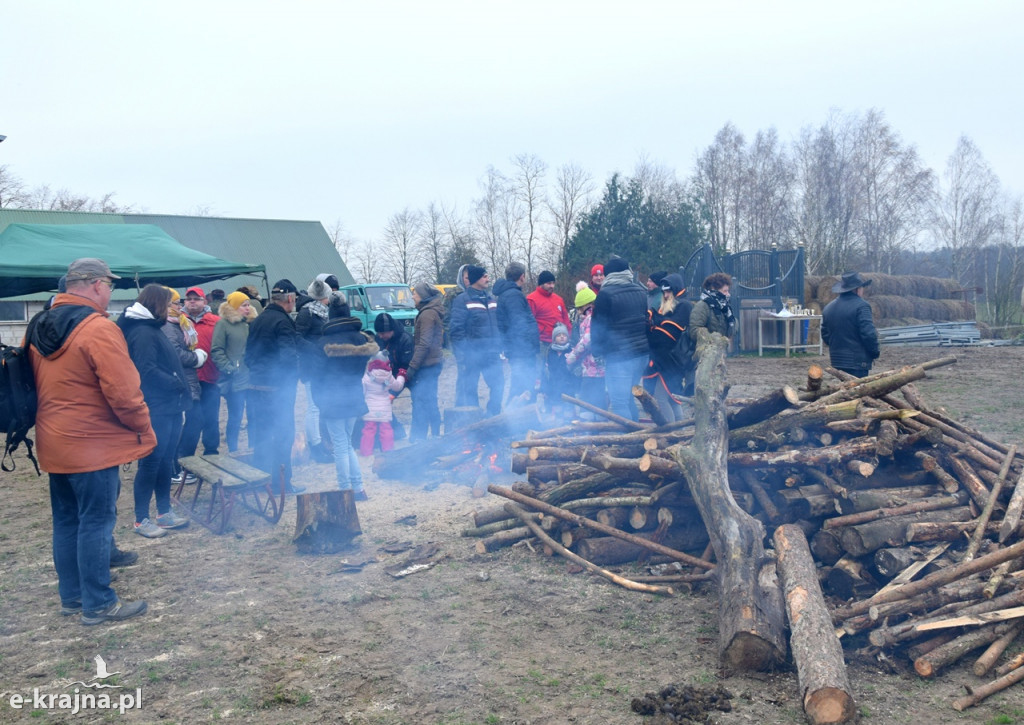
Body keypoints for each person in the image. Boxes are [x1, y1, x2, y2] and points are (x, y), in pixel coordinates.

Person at [27, 258, 155, 625]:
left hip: (53, 440)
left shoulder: (38, 325)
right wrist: (143, 428)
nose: (110, 292)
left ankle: (72, 598)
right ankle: (98, 603)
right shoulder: (97, 328)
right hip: (92, 445)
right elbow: (125, 393)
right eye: (110, 285)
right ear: (97, 284)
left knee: (67, 522)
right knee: (96, 522)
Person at [118, 285, 192, 538]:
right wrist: (175, 382)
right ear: (157, 304)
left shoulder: (153, 328)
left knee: (164, 461)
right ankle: (141, 519)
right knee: (151, 462)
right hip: (156, 407)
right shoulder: (142, 333)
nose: (175, 307)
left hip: (170, 406)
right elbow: (145, 369)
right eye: (170, 303)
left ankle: (164, 512)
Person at [311, 293, 378, 501]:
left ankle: (346, 491)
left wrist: (318, 399)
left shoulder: (324, 342)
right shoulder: (361, 339)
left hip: (332, 399)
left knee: (341, 445)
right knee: (347, 443)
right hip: (353, 395)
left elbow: (316, 375)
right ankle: (358, 489)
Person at [245, 279, 305, 494]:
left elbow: (248, 356)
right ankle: (282, 484)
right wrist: (291, 380)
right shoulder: (283, 321)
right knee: (283, 436)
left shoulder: (258, 319)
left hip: (255, 388)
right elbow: (288, 358)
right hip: (276, 391)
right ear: (289, 298)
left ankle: (262, 482)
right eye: (295, 298)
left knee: (262, 435)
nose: (295, 302)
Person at [591, 257, 649, 421]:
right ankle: (636, 435)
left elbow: (597, 326)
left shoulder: (605, 294)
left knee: (619, 403)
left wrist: (596, 352)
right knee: (628, 397)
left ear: (608, 275)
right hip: (641, 355)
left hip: (619, 357)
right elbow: (645, 320)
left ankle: (629, 441)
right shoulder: (640, 291)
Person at [449, 265, 504, 416]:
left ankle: (492, 416)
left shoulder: (491, 299)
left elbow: (498, 324)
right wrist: (464, 353)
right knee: (469, 389)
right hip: (472, 355)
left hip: (492, 353)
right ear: (475, 280)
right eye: (484, 276)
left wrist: (500, 346)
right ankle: (474, 420)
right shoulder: (462, 300)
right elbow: (456, 330)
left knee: (499, 385)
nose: (488, 279)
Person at [164, 289, 204, 485]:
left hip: (187, 380)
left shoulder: (178, 323)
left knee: (191, 422)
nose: (179, 307)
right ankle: (177, 467)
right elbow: (175, 354)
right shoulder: (167, 326)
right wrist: (195, 358)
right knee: (181, 426)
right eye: (175, 303)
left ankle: (181, 464)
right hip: (180, 383)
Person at [211, 291, 257, 453]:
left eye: (248, 305)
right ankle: (233, 449)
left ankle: (254, 447)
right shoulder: (223, 324)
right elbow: (217, 350)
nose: (248, 308)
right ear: (235, 307)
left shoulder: (251, 323)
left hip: (252, 378)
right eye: (244, 305)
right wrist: (230, 369)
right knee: (235, 417)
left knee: (254, 415)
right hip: (235, 379)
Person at [178, 286, 221, 459]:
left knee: (211, 417)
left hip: (211, 377)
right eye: (189, 299)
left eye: (196, 299)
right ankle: (186, 456)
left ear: (205, 302)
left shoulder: (216, 321)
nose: (192, 302)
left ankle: (211, 452)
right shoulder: (179, 322)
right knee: (193, 418)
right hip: (189, 380)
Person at [643, 273, 693, 422]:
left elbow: (665, 337)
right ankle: (679, 431)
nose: (665, 295)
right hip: (665, 360)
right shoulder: (674, 304)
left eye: (668, 292)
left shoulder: (684, 305)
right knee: (671, 398)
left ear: (675, 290)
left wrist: (652, 328)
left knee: (661, 398)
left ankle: (671, 432)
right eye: (664, 292)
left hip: (674, 361)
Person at [295, 277, 333, 463]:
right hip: (311, 365)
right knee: (314, 406)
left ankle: (317, 443)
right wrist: (316, 349)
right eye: (327, 297)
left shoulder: (321, 312)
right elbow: (297, 338)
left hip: (321, 364)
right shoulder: (307, 313)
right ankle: (316, 446)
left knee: (316, 406)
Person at [495, 262, 540, 406]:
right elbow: (519, 325)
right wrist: (527, 348)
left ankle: (517, 419)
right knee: (522, 386)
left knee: (521, 385)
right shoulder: (513, 295)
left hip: (518, 349)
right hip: (521, 350)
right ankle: (513, 420)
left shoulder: (509, 294)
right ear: (522, 276)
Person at [822, 272, 880, 378]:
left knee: (843, 392)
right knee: (858, 392)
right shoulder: (862, 306)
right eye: (862, 288)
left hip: (837, 360)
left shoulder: (828, 307)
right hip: (857, 362)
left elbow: (825, 335)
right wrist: (875, 352)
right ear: (857, 289)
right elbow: (868, 334)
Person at [407, 282, 445, 440]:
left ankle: (432, 435)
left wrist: (412, 367)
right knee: (429, 399)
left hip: (428, 365)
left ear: (422, 296)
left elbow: (424, 343)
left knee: (425, 400)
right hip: (433, 363)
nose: (413, 296)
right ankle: (433, 434)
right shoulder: (427, 312)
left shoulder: (427, 314)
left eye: (415, 294)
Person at [565, 285, 605, 418]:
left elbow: (586, 340)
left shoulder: (590, 319)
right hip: (600, 368)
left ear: (583, 307)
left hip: (592, 369)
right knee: (599, 402)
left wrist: (571, 357)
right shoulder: (600, 316)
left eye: (578, 308)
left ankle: (586, 431)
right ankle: (600, 430)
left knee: (586, 402)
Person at [360, 354, 405, 456]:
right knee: (386, 429)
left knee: (368, 430)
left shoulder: (367, 375)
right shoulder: (388, 376)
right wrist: (401, 375)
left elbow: (362, 390)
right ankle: (388, 450)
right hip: (384, 407)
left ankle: (366, 451)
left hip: (370, 407)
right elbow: (397, 387)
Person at [527, 269, 571, 352]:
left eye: (553, 283)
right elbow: (529, 323)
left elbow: (566, 320)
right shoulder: (531, 299)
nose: (552, 286)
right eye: (549, 283)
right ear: (541, 284)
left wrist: (568, 335)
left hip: (560, 343)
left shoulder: (559, 299)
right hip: (543, 343)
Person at [689, 272, 736, 343]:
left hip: (719, 351)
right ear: (714, 290)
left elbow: (730, 329)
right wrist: (713, 339)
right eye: (725, 291)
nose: (728, 294)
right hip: (705, 351)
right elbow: (694, 331)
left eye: (728, 291)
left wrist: (734, 323)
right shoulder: (702, 306)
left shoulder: (724, 308)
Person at [543, 322, 575, 420]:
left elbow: (575, 369)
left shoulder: (571, 350)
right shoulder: (550, 352)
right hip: (554, 383)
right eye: (558, 335)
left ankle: (570, 421)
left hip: (568, 383)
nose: (562, 337)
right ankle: (558, 421)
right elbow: (545, 370)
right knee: (556, 403)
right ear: (554, 338)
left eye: (564, 335)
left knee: (568, 405)